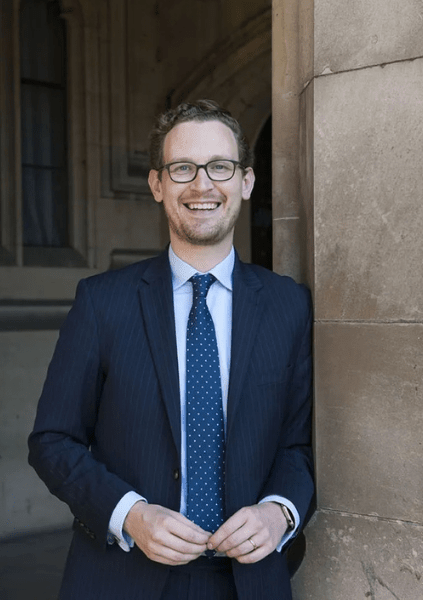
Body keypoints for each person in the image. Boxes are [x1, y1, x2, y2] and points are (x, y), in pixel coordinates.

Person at [28, 99, 314, 600]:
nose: (202, 185)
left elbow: (300, 445)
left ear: (246, 182)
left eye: (219, 167)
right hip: (121, 577)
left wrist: (279, 511)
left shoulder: (289, 306)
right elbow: (53, 441)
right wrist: (130, 515)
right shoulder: (102, 303)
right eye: (183, 168)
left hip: (250, 581)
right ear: (158, 185)